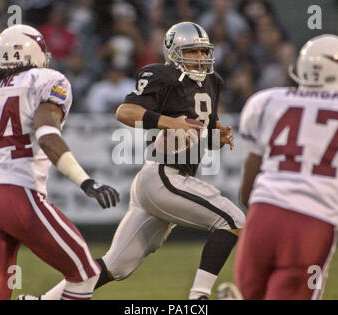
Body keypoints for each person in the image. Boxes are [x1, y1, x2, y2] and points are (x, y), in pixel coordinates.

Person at [19, 21, 245, 300]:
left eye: (202, 52)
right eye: (192, 51)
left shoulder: (213, 81)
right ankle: (199, 298)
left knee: (117, 265)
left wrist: (216, 137)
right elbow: (125, 112)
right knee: (233, 219)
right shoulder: (161, 75)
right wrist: (167, 122)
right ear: (173, 51)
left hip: (169, 179)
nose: (200, 58)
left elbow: (200, 133)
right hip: (163, 176)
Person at [0, 24, 120, 300]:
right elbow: (47, 135)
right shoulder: (45, 79)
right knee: (86, 273)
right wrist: (85, 181)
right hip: (18, 196)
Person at [235, 34, 338, 299]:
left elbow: (248, 183)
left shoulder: (268, 101)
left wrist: (256, 212)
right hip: (312, 222)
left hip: (262, 216)